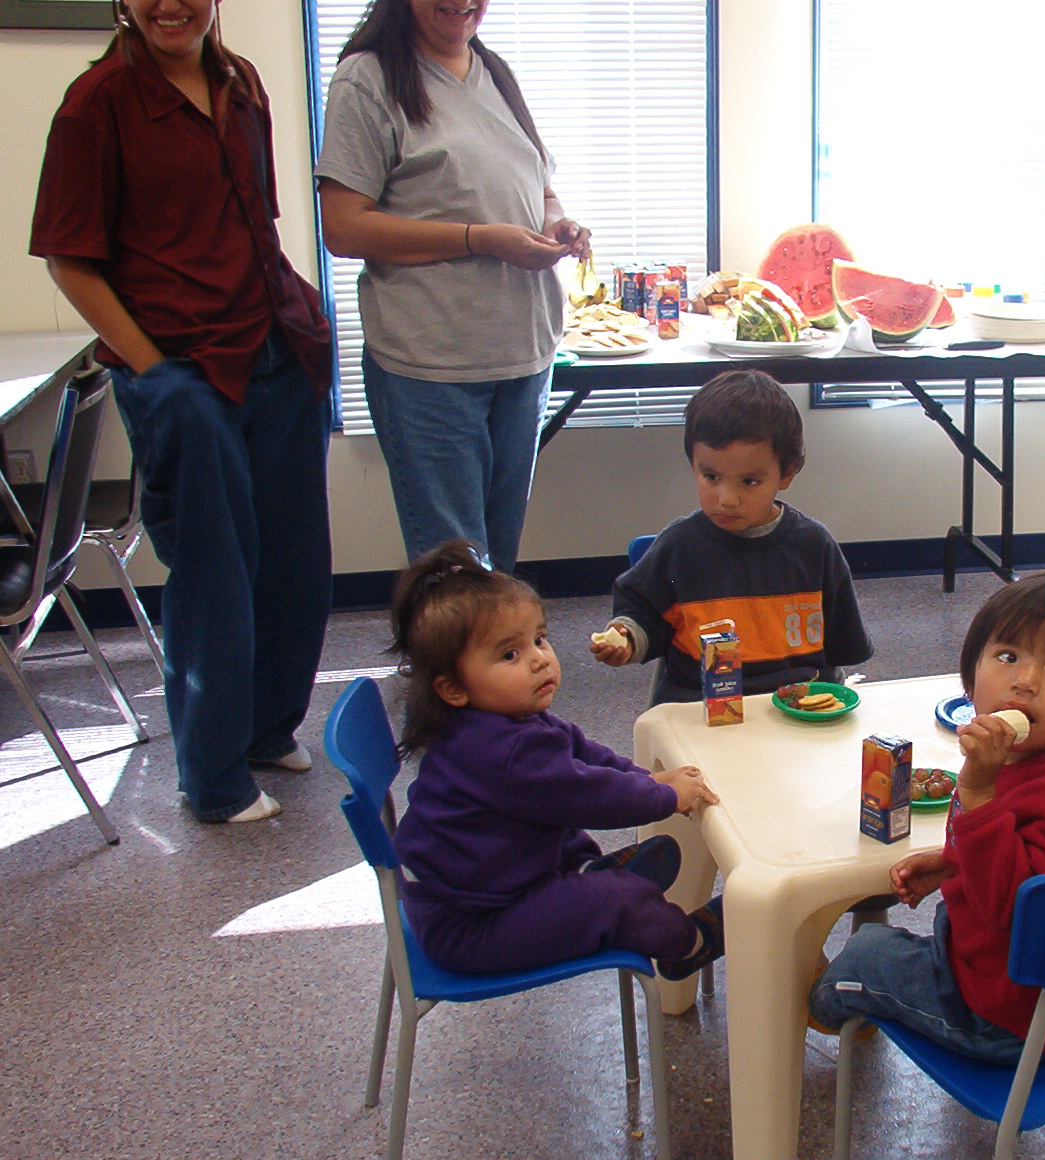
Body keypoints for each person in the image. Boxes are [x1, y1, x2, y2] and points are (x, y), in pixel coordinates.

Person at [30, 0, 334, 824]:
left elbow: (254, 225)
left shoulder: (242, 85)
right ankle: (212, 777)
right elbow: (71, 261)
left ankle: (268, 729)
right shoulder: (95, 105)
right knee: (215, 575)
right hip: (182, 372)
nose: (170, 4)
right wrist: (155, 369)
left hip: (273, 348)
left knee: (295, 564)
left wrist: (305, 325)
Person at [316, 0, 588, 573]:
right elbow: (342, 228)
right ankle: (447, 667)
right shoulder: (368, 79)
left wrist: (556, 224)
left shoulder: (494, 72)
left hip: (522, 357)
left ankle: (483, 665)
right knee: (457, 574)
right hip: (430, 367)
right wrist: (479, 239)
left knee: (497, 566)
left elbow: (539, 189)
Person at [808, 572, 1045, 1063]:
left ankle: (826, 1006)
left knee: (866, 955)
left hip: (1010, 1019)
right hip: (1010, 979)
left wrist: (976, 788)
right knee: (889, 934)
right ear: (971, 676)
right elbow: (1026, 862)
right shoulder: (1031, 761)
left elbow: (1015, 909)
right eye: (1007, 657)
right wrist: (953, 860)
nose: (1026, 681)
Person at [388, 540, 725, 979]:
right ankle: (687, 944)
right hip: (474, 928)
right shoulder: (502, 752)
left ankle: (586, 872)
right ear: (452, 687)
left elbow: (585, 753)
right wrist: (661, 796)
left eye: (539, 639)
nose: (538, 660)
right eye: (510, 654)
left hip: (497, 885)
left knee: (564, 839)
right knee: (614, 903)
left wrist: (650, 779)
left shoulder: (503, 720)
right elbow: (591, 795)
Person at [592, 369, 874, 704]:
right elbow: (642, 613)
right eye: (710, 476)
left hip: (796, 704)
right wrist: (625, 638)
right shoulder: (679, 547)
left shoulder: (814, 546)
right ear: (692, 464)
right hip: (699, 704)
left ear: (786, 473)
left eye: (749, 481)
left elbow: (839, 653)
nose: (726, 498)